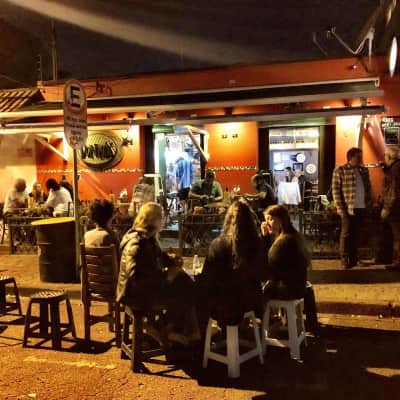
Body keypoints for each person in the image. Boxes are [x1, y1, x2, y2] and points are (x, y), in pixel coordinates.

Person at [116, 202, 199, 346]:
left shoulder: (145, 237)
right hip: (136, 296)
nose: (164, 220)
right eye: (162, 217)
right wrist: (166, 277)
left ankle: (180, 329)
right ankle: (165, 328)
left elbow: (154, 258)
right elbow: (135, 277)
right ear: (154, 220)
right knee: (185, 288)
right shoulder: (138, 243)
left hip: (139, 291)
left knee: (183, 283)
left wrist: (170, 260)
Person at [197, 200, 267, 334]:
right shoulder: (257, 244)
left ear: (228, 220)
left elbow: (208, 278)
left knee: (199, 297)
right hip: (251, 303)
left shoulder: (218, 244)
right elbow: (263, 274)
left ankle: (202, 338)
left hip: (224, 304)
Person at [331, 148, 372, 269]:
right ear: (351, 157)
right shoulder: (341, 169)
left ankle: (354, 259)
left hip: (361, 206)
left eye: (361, 157)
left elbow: (368, 187)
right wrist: (339, 207)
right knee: (346, 233)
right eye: (358, 157)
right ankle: (344, 258)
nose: (360, 159)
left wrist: (368, 202)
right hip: (348, 207)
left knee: (356, 233)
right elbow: (335, 189)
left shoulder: (363, 170)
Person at [261, 205, 309, 300]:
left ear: (281, 220)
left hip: (287, 289)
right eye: (266, 220)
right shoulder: (293, 235)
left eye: (270, 219)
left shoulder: (285, 241)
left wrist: (265, 238)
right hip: (297, 286)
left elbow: (269, 262)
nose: (266, 224)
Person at [381, 146, 400, 270]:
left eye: (385, 155)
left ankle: (397, 262)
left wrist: (386, 208)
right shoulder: (396, 168)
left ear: (389, 157)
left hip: (395, 209)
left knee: (397, 236)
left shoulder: (394, 170)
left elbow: (393, 191)